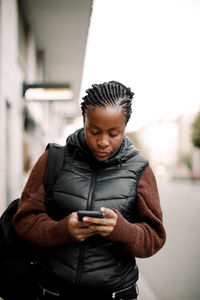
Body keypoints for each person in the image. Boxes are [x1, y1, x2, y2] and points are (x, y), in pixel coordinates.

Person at [13, 81, 166, 300]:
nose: (103, 142)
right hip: (52, 291)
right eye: (93, 131)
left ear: (125, 127)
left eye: (114, 134)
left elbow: (154, 239)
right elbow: (23, 222)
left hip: (115, 293)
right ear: (84, 121)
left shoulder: (140, 169)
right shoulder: (53, 160)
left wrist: (121, 230)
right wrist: (62, 230)